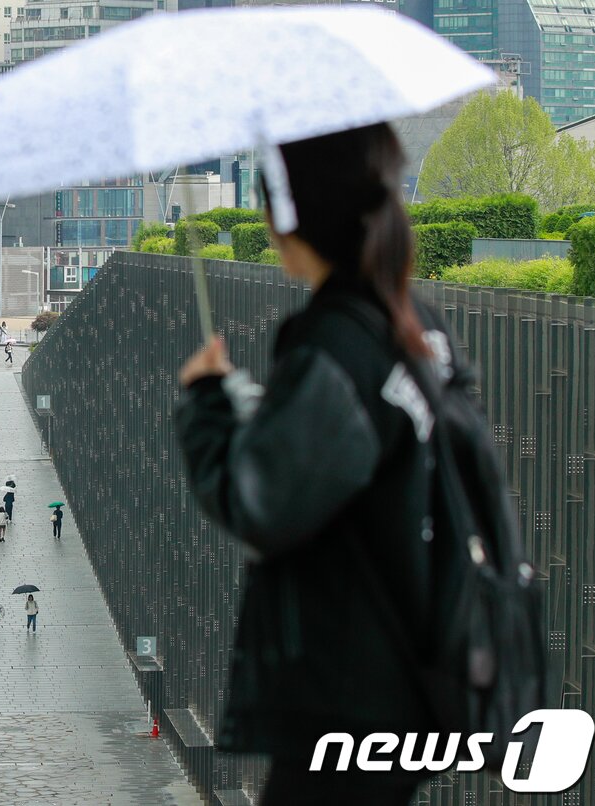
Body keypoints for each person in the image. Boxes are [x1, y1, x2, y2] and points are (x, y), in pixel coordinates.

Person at [174, 124, 502, 801]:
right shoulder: (417, 327)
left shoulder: (338, 346)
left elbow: (258, 500)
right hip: (417, 672)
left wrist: (206, 399)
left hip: (350, 692)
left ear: (287, 219)